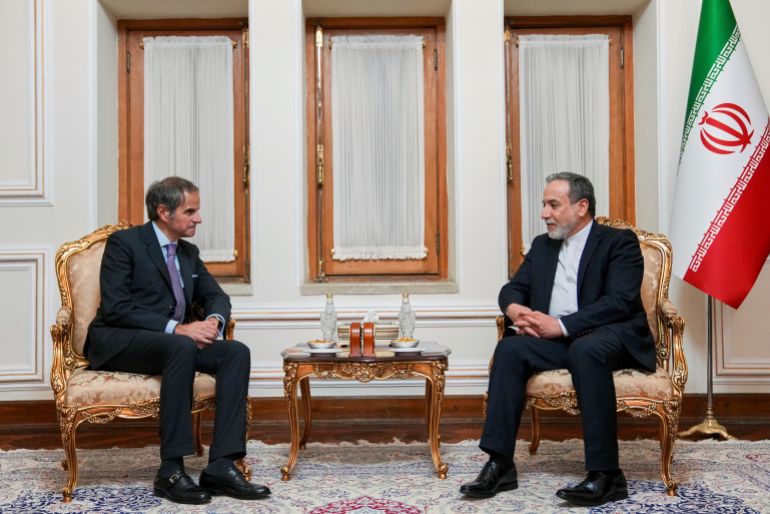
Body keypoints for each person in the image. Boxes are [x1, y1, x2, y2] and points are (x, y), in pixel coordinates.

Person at [460, 172, 656, 507]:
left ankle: (606, 475)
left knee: (585, 349)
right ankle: (500, 464)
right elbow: (513, 288)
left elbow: (620, 301)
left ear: (581, 207)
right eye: (544, 205)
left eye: (553, 205)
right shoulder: (542, 246)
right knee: (510, 349)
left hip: (610, 337)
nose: (544, 213)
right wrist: (517, 310)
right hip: (558, 341)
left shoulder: (618, 242)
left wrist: (561, 325)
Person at [85, 177, 270, 505]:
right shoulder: (125, 243)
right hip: (121, 342)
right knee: (181, 345)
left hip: (172, 348)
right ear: (163, 212)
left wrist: (213, 321)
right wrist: (178, 328)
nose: (198, 218)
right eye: (191, 211)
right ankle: (171, 471)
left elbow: (216, 295)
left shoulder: (188, 253)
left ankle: (221, 465)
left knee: (235, 353)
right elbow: (116, 308)